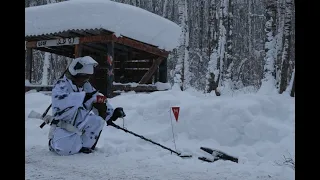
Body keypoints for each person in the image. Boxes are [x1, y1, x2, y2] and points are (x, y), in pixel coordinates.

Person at [47, 56, 125, 155]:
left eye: (87, 77)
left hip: (79, 121)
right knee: (64, 151)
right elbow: (61, 104)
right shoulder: (61, 85)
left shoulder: (85, 85)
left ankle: (84, 147)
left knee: (97, 121)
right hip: (63, 124)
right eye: (84, 76)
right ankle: (53, 143)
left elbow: (96, 97)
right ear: (75, 74)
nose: (86, 80)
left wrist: (111, 113)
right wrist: (82, 97)